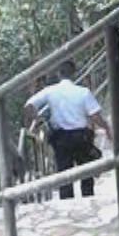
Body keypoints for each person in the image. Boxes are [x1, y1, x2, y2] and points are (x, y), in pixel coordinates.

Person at [22, 68, 109, 199]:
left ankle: (67, 201)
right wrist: (108, 128)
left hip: (61, 138)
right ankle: (88, 198)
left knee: (64, 175)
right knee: (86, 173)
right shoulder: (83, 92)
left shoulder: (50, 91)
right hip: (82, 137)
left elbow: (28, 105)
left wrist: (36, 119)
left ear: (59, 74)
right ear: (73, 74)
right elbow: (95, 116)